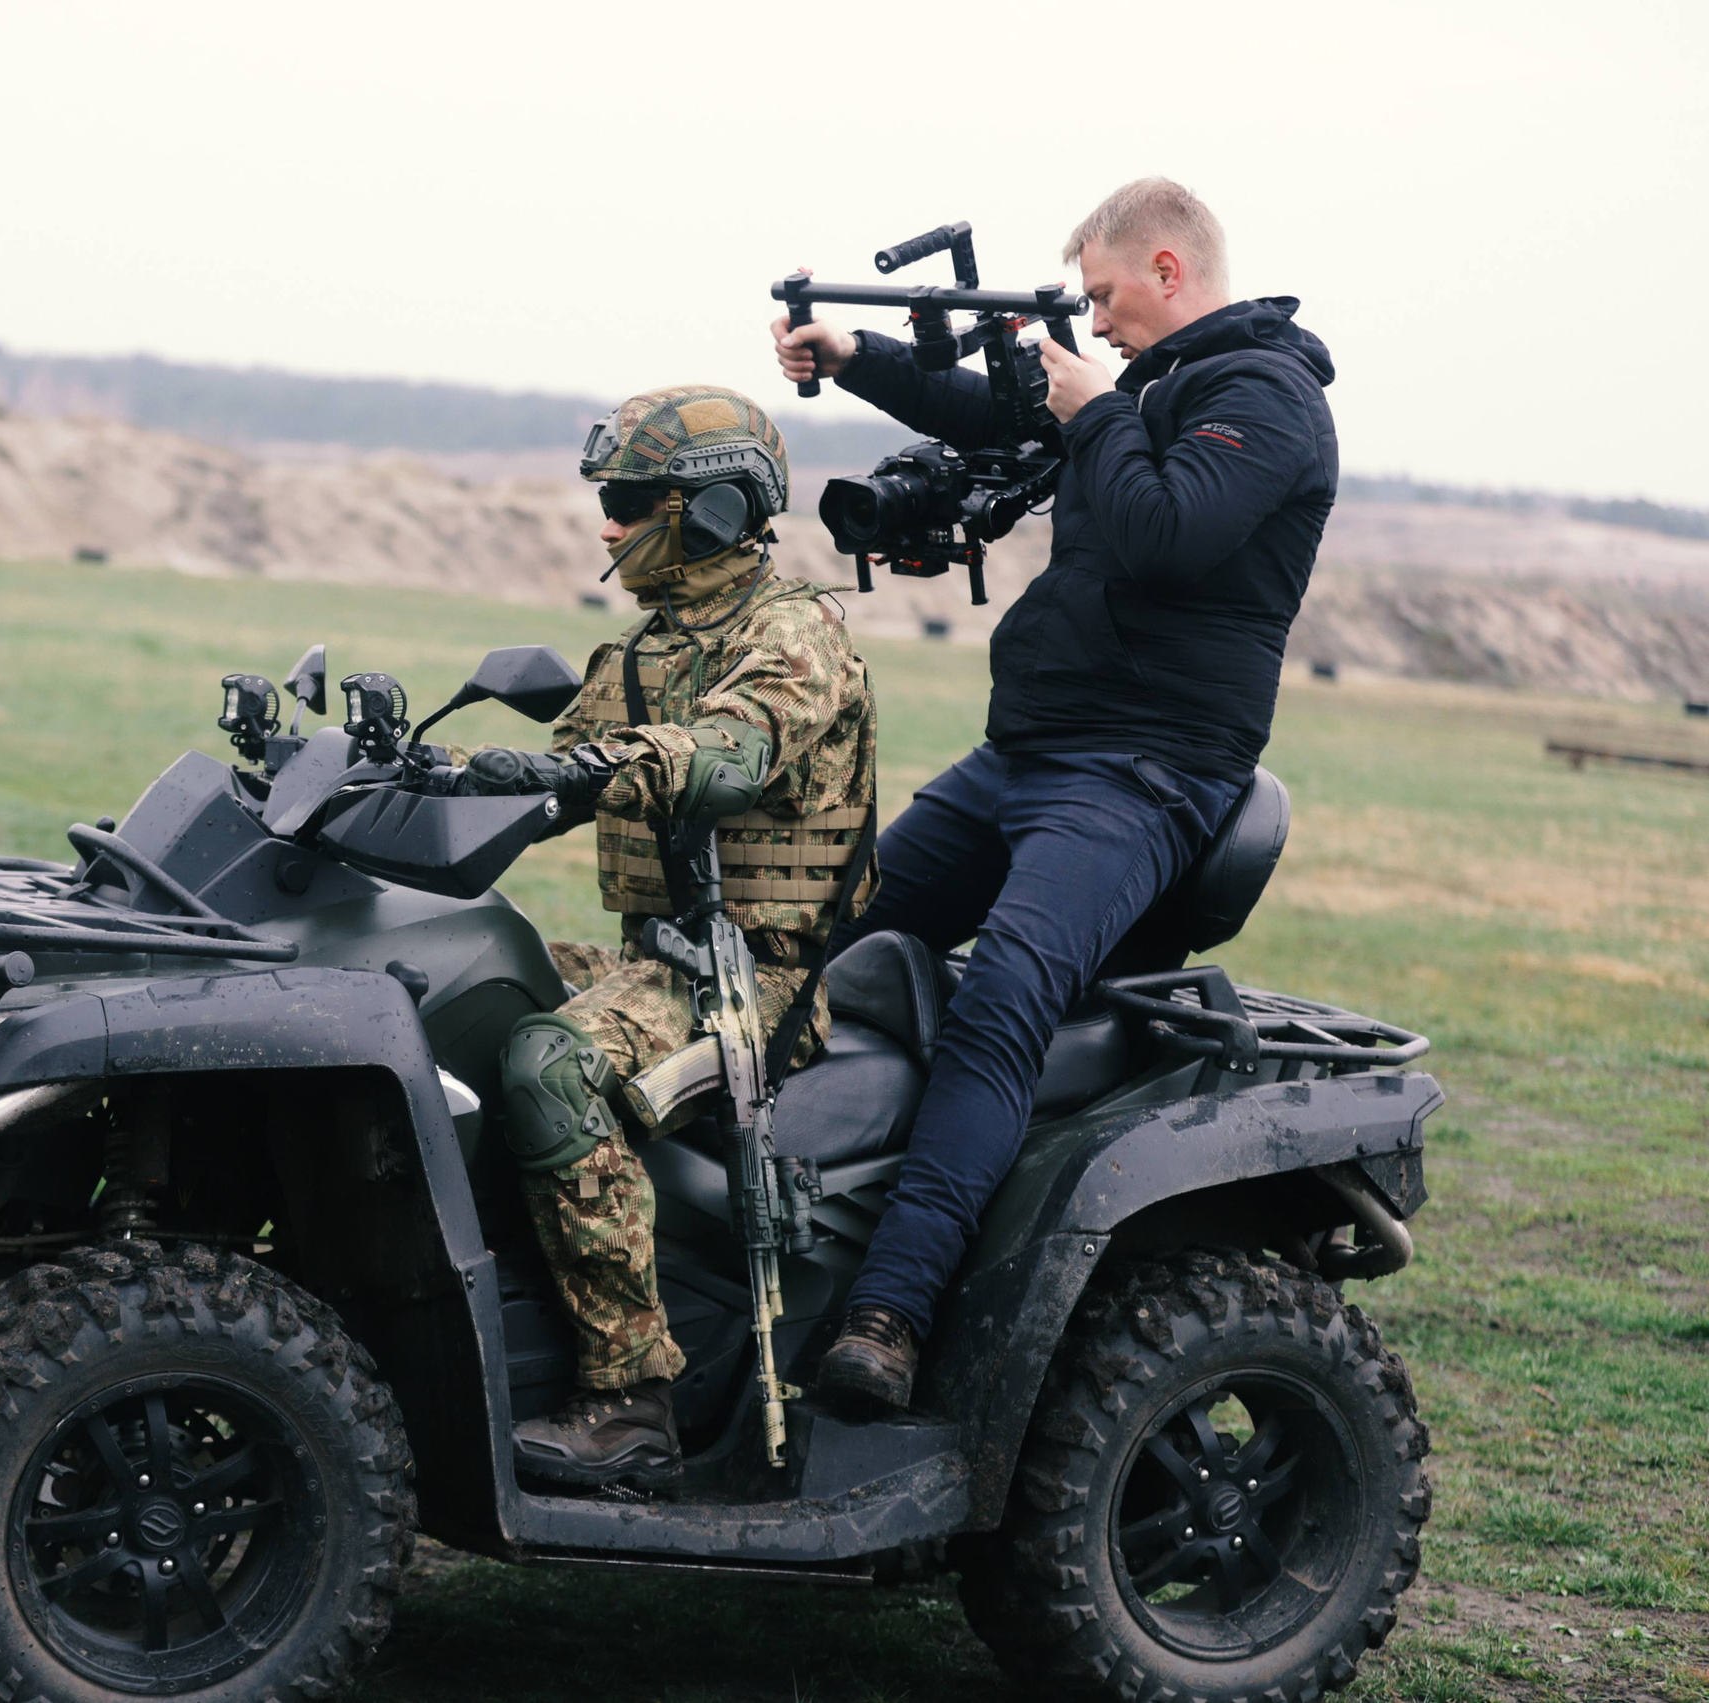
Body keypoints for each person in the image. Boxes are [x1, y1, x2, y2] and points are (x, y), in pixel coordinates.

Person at [769, 177, 1338, 1408]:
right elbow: (998, 418)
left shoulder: (1268, 397)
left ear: (1170, 270)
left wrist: (1100, 413)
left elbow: (1166, 533)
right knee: (829, 941)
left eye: (1104, 297)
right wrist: (856, 354)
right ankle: (750, 1252)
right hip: (1024, 753)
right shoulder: (1138, 398)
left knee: (1003, 1002)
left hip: (1145, 773)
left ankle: (889, 1315)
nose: (1098, 322)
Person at [436, 384, 877, 1488]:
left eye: (632, 498)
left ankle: (630, 1395)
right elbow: (555, 764)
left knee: (553, 1059)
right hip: (659, 958)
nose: (608, 522)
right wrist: (405, 766)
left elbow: (720, 754)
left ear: (716, 511)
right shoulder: (650, 647)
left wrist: (574, 769)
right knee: (450, 973)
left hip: (754, 980)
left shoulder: (796, 637)